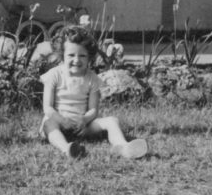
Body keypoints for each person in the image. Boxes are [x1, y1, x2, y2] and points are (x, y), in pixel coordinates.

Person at [40, 25, 148, 159]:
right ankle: (66, 148)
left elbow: (93, 110)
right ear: (62, 55)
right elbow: (48, 108)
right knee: (48, 123)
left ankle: (123, 147)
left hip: (82, 126)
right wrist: (62, 121)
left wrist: (84, 120)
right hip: (59, 123)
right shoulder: (54, 75)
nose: (77, 60)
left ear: (89, 57)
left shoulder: (92, 78)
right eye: (71, 55)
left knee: (111, 120)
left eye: (82, 55)